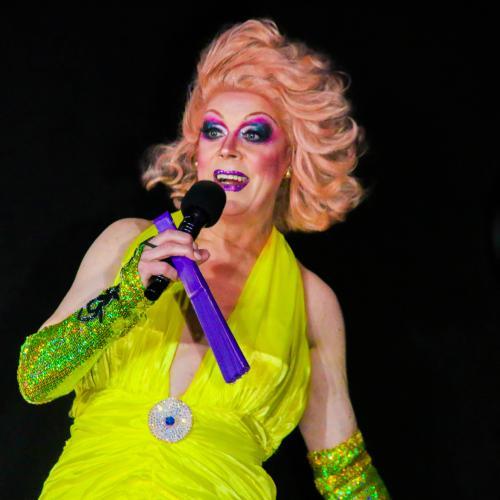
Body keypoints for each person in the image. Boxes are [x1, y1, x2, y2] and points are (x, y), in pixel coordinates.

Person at [17, 18, 391, 499]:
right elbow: (36, 379)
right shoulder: (128, 242)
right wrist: (126, 299)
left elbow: (345, 475)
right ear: (197, 153)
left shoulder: (311, 300)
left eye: (254, 134)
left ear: (290, 159)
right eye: (214, 131)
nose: (229, 149)